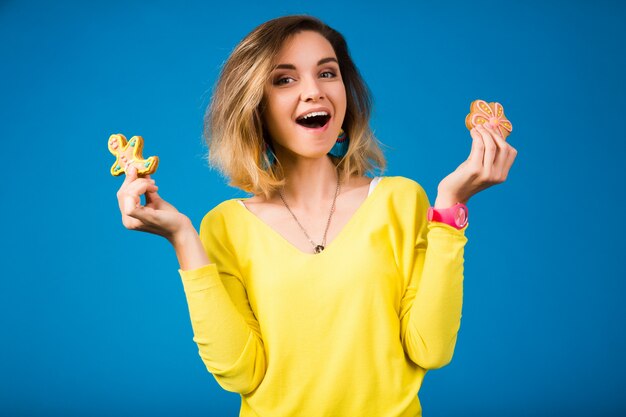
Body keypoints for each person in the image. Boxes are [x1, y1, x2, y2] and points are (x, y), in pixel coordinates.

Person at [116, 15, 517, 417]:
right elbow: (240, 374)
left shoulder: (401, 200)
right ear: (255, 104)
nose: (314, 92)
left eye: (327, 73)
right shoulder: (226, 226)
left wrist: (449, 208)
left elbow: (430, 349)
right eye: (285, 79)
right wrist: (183, 238)